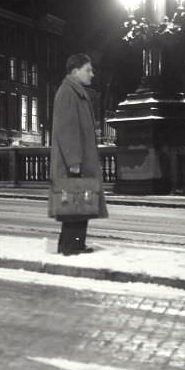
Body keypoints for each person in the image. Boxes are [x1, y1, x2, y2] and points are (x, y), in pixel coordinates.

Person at [49, 53, 108, 255]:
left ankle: (74, 244)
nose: (92, 74)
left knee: (78, 205)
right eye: (88, 70)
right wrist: (74, 161)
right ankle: (70, 246)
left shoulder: (75, 92)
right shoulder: (68, 93)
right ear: (75, 71)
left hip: (79, 161)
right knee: (75, 205)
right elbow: (67, 130)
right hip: (74, 163)